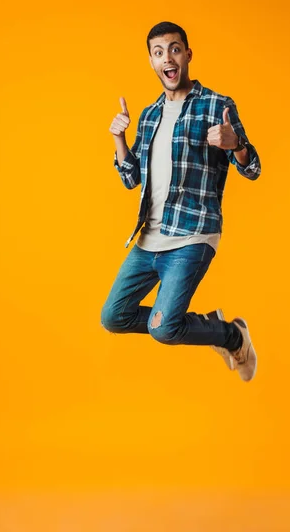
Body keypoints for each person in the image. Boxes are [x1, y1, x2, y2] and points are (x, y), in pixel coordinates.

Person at [100, 21, 261, 381]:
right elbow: (131, 179)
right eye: (158, 53)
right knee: (114, 316)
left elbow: (253, 170)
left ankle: (232, 336)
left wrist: (236, 145)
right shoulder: (150, 114)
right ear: (152, 62)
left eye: (174, 49)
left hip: (194, 233)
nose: (167, 58)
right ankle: (216, 328)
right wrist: (119, 139)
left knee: (163, 329)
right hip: (150, 238)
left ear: (187, 55)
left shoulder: (217, 105)